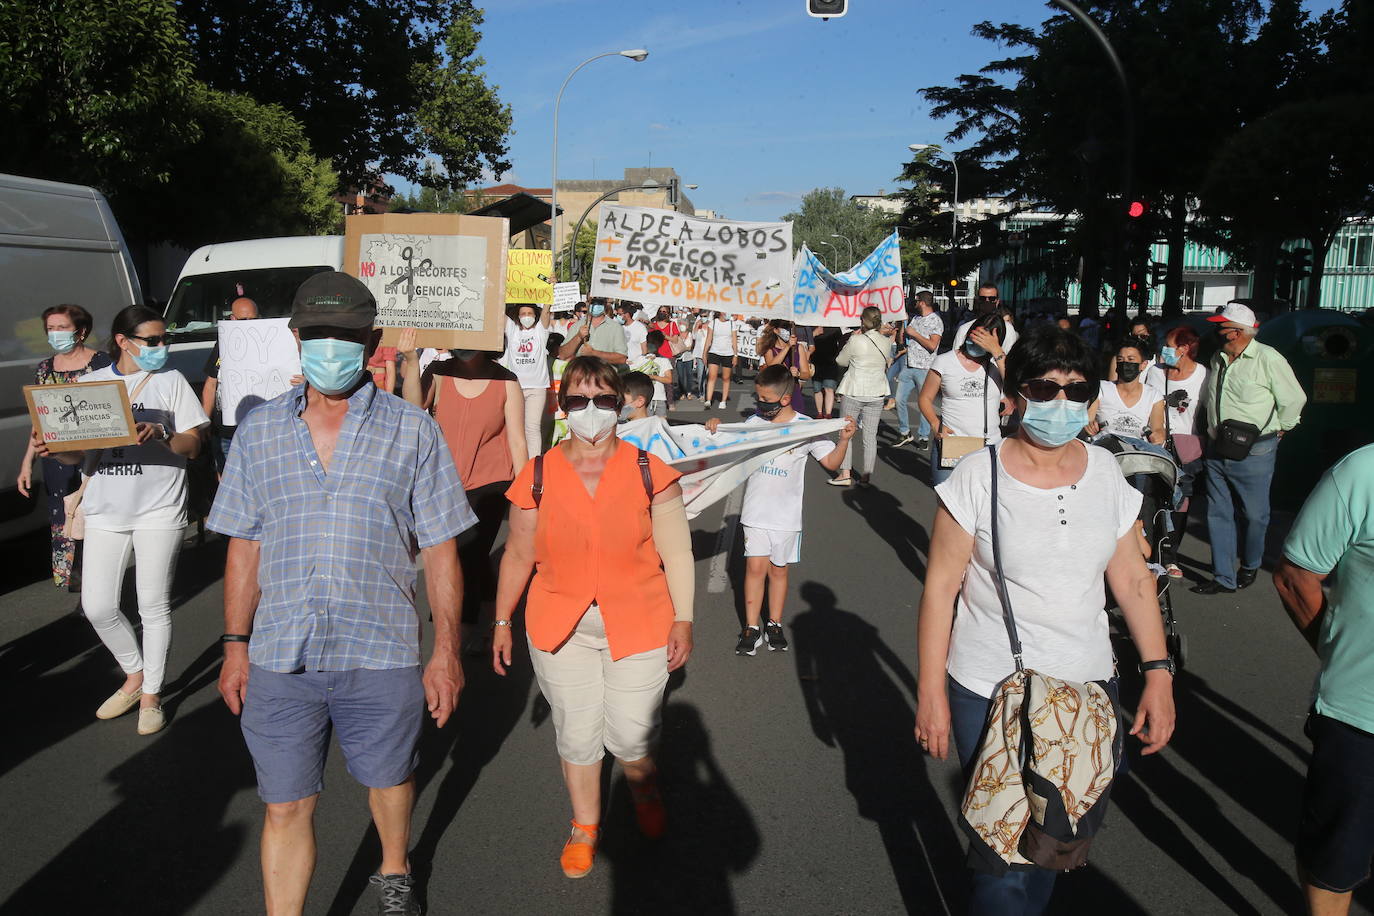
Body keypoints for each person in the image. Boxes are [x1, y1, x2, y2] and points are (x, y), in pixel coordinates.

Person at [209, 272, 475, 915]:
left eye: (347, 335)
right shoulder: (258, 432)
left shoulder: (414, 431)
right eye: (319, 334)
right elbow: (244, 543)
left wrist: (446, 650)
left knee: (389, 780)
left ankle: (393, 869)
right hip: (279, 652)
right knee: (286, 803)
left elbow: (440, 544)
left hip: (380, 647)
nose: (332, 346)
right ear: (296, 338)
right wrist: (235, 646)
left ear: (372, 340)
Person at [914, 324, 1176, 914]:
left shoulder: (1107, 472)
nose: (1061, 403)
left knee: (1055, 843)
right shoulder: (977, 477)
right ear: (1014, 396)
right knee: (1000, 857)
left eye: (1076, 391)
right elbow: (940, 591)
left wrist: (1157, 673)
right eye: (1045, 387)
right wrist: (930, 690)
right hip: (989, 690)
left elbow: (1133, 580)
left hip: (1086, 690)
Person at [491, 356, 695, 879]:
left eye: (603, 400)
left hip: (641, 620)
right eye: (578, 400)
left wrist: (685, 619)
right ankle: (585, 825)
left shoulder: (650, 470)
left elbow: (677, 553)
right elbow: (517, 553)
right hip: (560, 626)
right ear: (562, 404)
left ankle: (644, 787)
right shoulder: (537, 475)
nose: (591, 411)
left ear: (619, 404)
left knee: (629, 736)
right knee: (578, 735)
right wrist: (500, 621)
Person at [36, 305, 209, 736]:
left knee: (152, 606)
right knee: (97, 605)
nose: (160, 347)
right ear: (123, 341)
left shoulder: (170, 383)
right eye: (152, 340)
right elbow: (76, 454)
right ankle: (134, 675)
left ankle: (151, 693)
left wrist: (165, 435)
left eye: (163, 339)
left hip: (159, 508)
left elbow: (194, 446)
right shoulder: (90, 385)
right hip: (105, 511)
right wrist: (52, 448)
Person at [1273, 444, 1374, 916]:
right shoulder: (1363, 470)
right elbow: (1296, 576)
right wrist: (1338, 654)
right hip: (1362, 713)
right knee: (1335, 861)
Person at [706, 365, 854, 656]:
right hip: (755, 512)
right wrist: (714, 427)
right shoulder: (754, 423)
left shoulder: (806, 427)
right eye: (757, 398)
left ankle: (773, 623)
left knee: (778, 571)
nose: (760, 405)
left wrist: (845, 440)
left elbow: (831, 465)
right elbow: (720, 446)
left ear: (785, 399)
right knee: (754, 569)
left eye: (766, 400)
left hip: (786, 516)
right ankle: (751, 627)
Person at [401, 340, 526, 649]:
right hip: (444, 481)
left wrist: (527, 499)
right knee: (471, 556)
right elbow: (412, 410)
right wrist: (412, 362)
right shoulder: (439, 372)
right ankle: (489, 611)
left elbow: (518, 441)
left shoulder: (507, 380)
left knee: (466, 553)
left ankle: (458, 633)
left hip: (491, 483)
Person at [1192, 302, 1307, 595]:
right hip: (1218, 446)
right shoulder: (1218, 358)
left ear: (1236, 332)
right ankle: (1223, 576)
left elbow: (1294, 398)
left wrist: (1284, 426)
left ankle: (1251, 563)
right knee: (1218, 512)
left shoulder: (1268, 358)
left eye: (1222, 327)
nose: (1217, 332)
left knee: (1255, 516)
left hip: (1255, 448)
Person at [18, 303, 112, 590]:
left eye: (62, 328)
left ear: (81, 332)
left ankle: (98, 586)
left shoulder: (102, 364)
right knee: (66, 520)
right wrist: (27, 462)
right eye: (50, 329)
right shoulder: (45, 368)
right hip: (56, 461)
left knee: (94, 522)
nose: (55, 334)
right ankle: (79, 583)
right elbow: (39, 421)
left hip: (95, 459)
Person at [918, 311, 1008, 487]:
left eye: (986, 338)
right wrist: (935, 424)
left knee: (983, 508)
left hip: (988, 448)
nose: (978, 341)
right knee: (948, 508)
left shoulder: (998, 366)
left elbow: (1017, 390)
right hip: (952, 444)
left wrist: (997, 351)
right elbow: (925, 398)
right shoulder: (944, 361)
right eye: (977, 335)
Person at [1147, 326, 1208, 578]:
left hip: (1189, 446)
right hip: (1158, 443)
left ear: (1183, 349)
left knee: (1181, 502)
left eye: (1169, 344)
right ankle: (1154, 551)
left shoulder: (1204, 374)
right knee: (1155, 497)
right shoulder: (1155, 372)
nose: (1164, 349)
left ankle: (1171, 555)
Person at [829, 307, 891, 488]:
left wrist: (851, 340)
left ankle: (845, 473)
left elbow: (840, 361)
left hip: (855, 389)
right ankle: (866, 476)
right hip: (877, 391)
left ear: (863, 321)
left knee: (846, 433)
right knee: (870, 437)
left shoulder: (855, 339)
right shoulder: (886, 341)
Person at [200, 296, 261, 475]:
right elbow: (211, 384)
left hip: (259, 430)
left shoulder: (270, 343)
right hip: (227, 433)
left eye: (253, 319)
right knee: (229, 481)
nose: (249, 324)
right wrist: (204, 422)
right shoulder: (223, 343)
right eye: (244, 320)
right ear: (232, 319)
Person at [499, 303, 553, 460]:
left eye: (530, 313)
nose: (527, 316)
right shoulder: (512, 330)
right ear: (517, 316)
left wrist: (549, 293)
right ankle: (515, 461)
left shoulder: (540, 332)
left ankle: (533, 464)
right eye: (523, 313)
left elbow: (546, 312)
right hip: (515, 388)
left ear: (535, 315)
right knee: (515, 428)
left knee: (532, 428)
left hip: (537, 388)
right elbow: (498, 310)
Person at [1091, 338, 1166, 444]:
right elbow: (1088, 420)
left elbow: (1158, 428)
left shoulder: (1154, 396)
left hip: (1137, 454)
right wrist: (1089, 425)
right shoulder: (1101, 388)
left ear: (1143, 365)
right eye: (1121, 360)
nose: (1125, 363)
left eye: (1131, 359)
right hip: (1104, 448)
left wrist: (1158, 435)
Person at [894, 292, 943, 449]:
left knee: (924, 403)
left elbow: (932, 345)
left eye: (915, 301)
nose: (913, 303)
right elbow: (906, 339)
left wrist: (915, 334)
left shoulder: (936, 321)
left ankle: (923, 436)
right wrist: (903, 328)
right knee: (898, 399)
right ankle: (905, 432)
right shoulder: (915, 319)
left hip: (925, 368)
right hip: (909, 365)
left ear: (922, 303)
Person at [757, 319, 813, 415]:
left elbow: (806, 374)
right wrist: (787, 347)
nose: (787, 331)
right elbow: (772, 367)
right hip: (775, 392)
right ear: (775, 330)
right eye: (784, 327)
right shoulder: (769, 348)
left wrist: (798, 374)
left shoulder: (799, 348)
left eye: (788, 328)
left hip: (792, 391)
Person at [950, 283, 1021, 354]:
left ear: (997, 301)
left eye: (991, 298)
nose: (987, 301)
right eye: (982, 298)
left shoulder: (1008, 329)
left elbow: (1011, 357)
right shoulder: (964, 329)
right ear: (978, 301)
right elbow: (956, 357)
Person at [558, 300, 628, 367]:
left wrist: (594, 353)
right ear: (587, 303)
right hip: (581, 377)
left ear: (605, 304)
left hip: (604, 378)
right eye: (592, 302)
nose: (595, 305)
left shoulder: (616, 328)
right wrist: (578, 336)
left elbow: (622, 358)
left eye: (599, 302)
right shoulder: (576, 326)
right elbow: (563, 355)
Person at [631, 330, 674, 417]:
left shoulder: (663, 361)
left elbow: (669, 379)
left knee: (661, 424)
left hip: (659, 398)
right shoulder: (639, 359)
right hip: (644, 399)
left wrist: (652, 376)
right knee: (646, 425)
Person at [703, 310, 737, 409]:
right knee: (712, 376)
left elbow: (734, 341)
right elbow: (708, 340)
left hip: (728, 353)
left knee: (726, 378)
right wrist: (704, 353)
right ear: (721, 312)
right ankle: (708, 400)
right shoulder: (713, 323)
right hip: (714, 352)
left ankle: (723, 400)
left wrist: (735, 355)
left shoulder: (732, 324)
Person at [810, 326, 844, 418]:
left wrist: (837, 355)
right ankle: (820, 412)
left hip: (831, 362)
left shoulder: (834, 328)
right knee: (817, 389)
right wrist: (814, 334)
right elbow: (806, 342)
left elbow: (841, 342)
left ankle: (828, 413)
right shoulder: (812, 327)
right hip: (816, 361)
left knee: (829, 388)